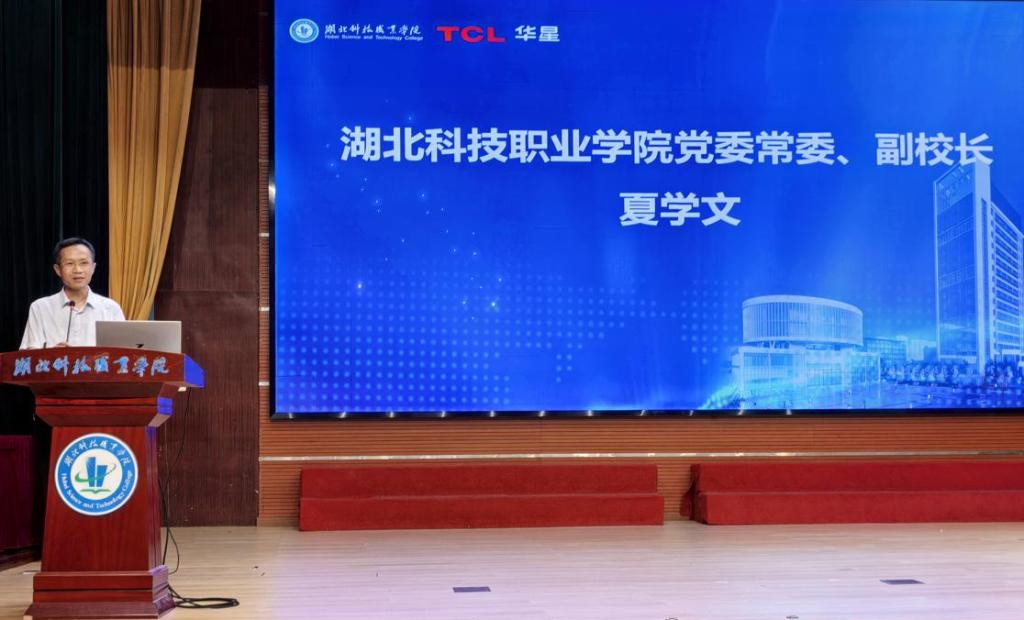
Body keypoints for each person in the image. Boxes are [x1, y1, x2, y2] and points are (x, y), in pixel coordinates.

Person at [19, 237, 126, 349]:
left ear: (93, 268)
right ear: (58, 270)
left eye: (84, 263)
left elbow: (123, 353)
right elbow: (29, 354)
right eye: (69, 263)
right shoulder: (41, 307)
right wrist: (52, 355)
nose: (77, 270)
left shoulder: (110, 308)